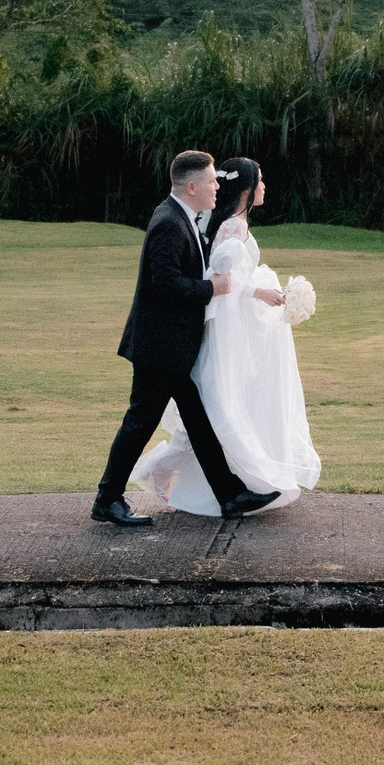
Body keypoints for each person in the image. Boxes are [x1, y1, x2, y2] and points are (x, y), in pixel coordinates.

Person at [91, 151, 284, 528]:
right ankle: (107, 498)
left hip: (172, 346)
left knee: (198, 418)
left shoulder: (186, 217)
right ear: (192, 186)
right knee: (139, 422)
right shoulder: (168, 221)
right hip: (158, 345)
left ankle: (230, 496)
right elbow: (163, 285)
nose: (218, 186)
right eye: (212, 181)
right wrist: (212, 288)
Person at [131, 156, 322, 515]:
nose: (265, 188)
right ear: (247, 191)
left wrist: (259, 289)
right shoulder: (213, 227)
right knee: (211, 404)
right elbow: (219, 277)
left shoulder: (219, 221)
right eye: (261, 182)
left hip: (231, 327)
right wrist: (254, 290)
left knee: (210, 408)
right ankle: (121, 488)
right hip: (212, 332)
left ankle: (231, 490)